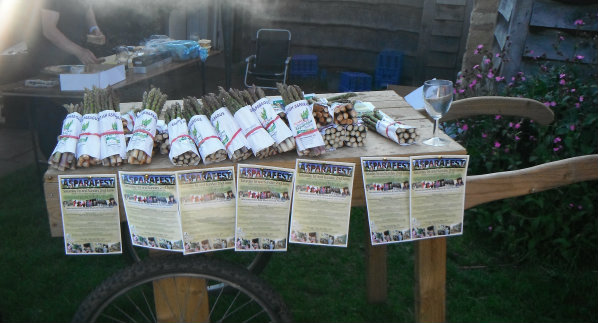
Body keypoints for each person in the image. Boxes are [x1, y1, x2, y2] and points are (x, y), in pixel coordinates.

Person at [28, 0, 105, 69]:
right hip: (51, 58)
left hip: (76, 55)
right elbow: (49, 30)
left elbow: (88, 9)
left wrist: (94, 29)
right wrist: (79, 51)